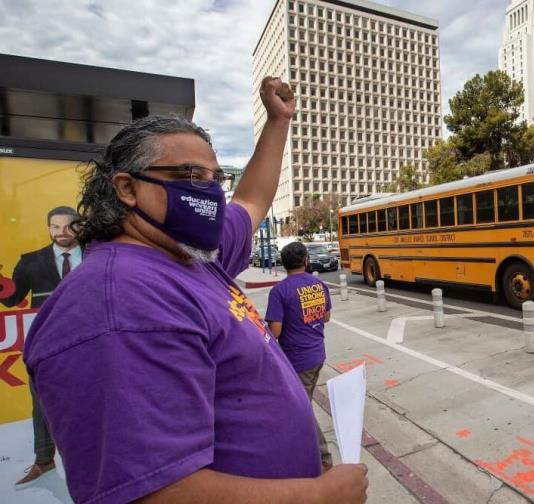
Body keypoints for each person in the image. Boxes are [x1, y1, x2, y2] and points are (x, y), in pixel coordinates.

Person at [23, 77, 368, 504]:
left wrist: (278, 122)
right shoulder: (117, 305)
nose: (206, 190)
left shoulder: (191, 257)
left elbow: (251, 203)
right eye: (188, 175)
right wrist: (317, 495)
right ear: (127, 188)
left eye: (212, 177)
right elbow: (151, 491)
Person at [1, 206, 82, 487]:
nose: (61, 232)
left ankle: (89, 457)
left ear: (79, 227)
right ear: (48, 229)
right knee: (42, 402)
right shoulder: (31, 261)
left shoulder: (99, 255)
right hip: (46, 344)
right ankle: (44, 460)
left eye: (69, 226)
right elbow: (12, 300)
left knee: (93, 399)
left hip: (91, 342)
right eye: (55, 227)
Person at [265, 243, 333, 471]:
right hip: (317, 354)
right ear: (306, 260)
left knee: (301, 409)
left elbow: (275, 331)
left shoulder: (280, 291)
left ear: (284, 264)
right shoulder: (319, 285)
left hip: (297, 360)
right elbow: (326, 317)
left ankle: (323, 457)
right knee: (303, 404)